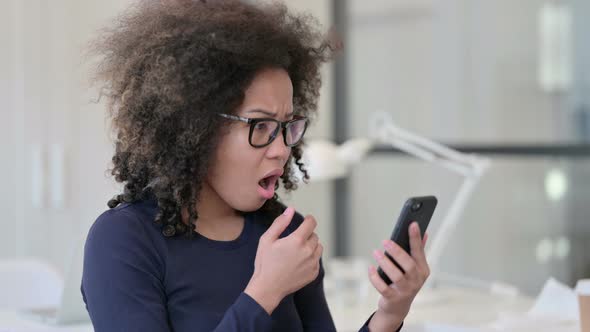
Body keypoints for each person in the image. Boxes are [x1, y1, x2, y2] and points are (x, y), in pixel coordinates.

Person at [81, 1, 431, 331]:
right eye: (260, 126)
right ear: (197, 128)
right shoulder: (124, 241)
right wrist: (264, 292)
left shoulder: (285, 233)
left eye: (286, 127)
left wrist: (390, 313)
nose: (281, 149)